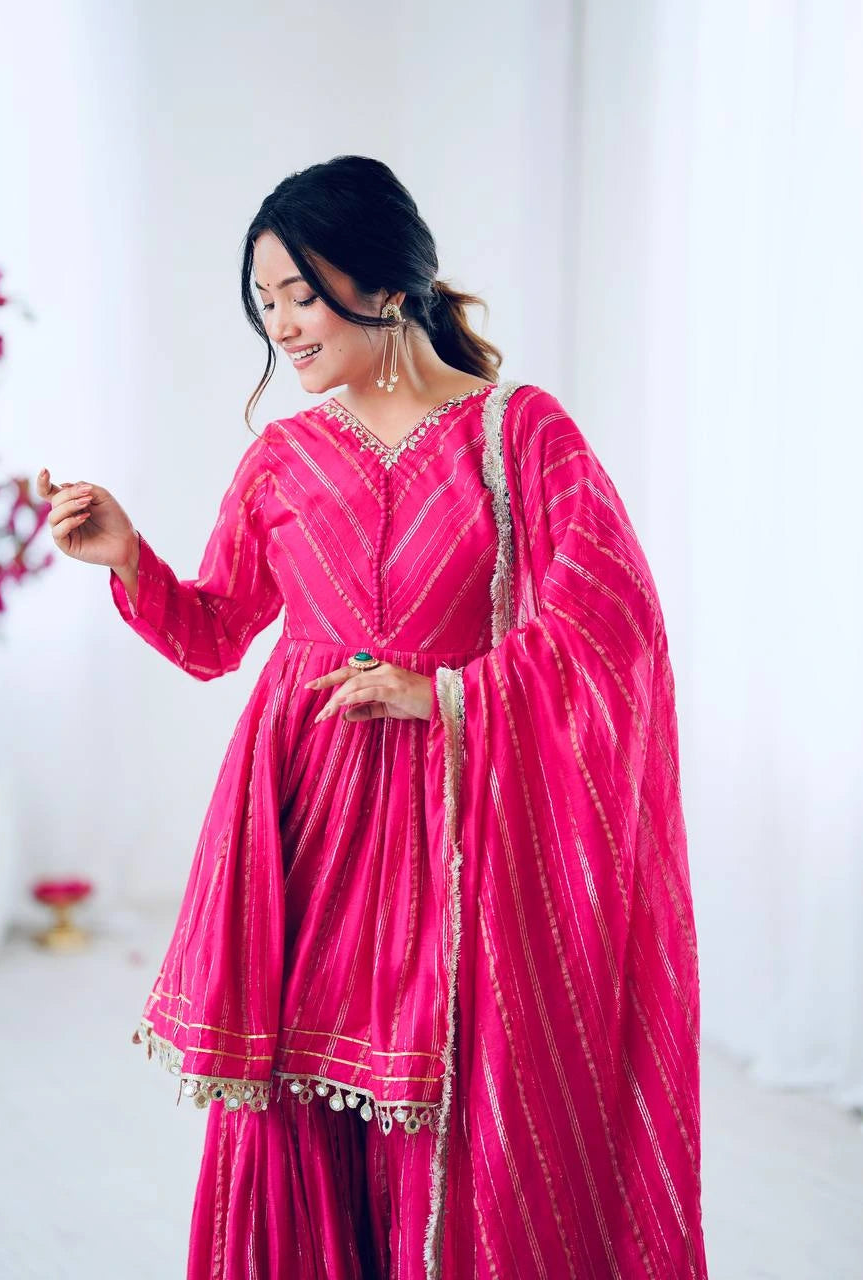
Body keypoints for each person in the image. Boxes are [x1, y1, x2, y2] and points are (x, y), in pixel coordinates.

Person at [36, 155, 708, 1280]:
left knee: (444, 1109)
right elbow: (212, 633)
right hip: (301, 832)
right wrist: (126, 554)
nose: (283, 326)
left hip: (456, 831)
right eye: (265, 304)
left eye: (301, 291)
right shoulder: (282, 457)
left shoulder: (517, 433)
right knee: (307, 1115)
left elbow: (614, 620)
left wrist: (441, 689)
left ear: (386, 282)